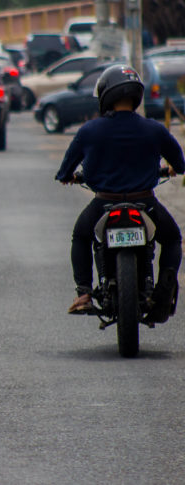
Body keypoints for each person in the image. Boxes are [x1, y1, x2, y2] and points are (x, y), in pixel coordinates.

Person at [55, 65, 185, 322]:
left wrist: (69, 177)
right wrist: (168, 170)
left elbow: (64, 170)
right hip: (145, 202)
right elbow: (179, 163)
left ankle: (83, 294)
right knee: (171, 239)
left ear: (106, 95)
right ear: (136, 96)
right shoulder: (154, 129)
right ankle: (164, 289)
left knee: (81, 236)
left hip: (105, 203)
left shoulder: (89, 131)